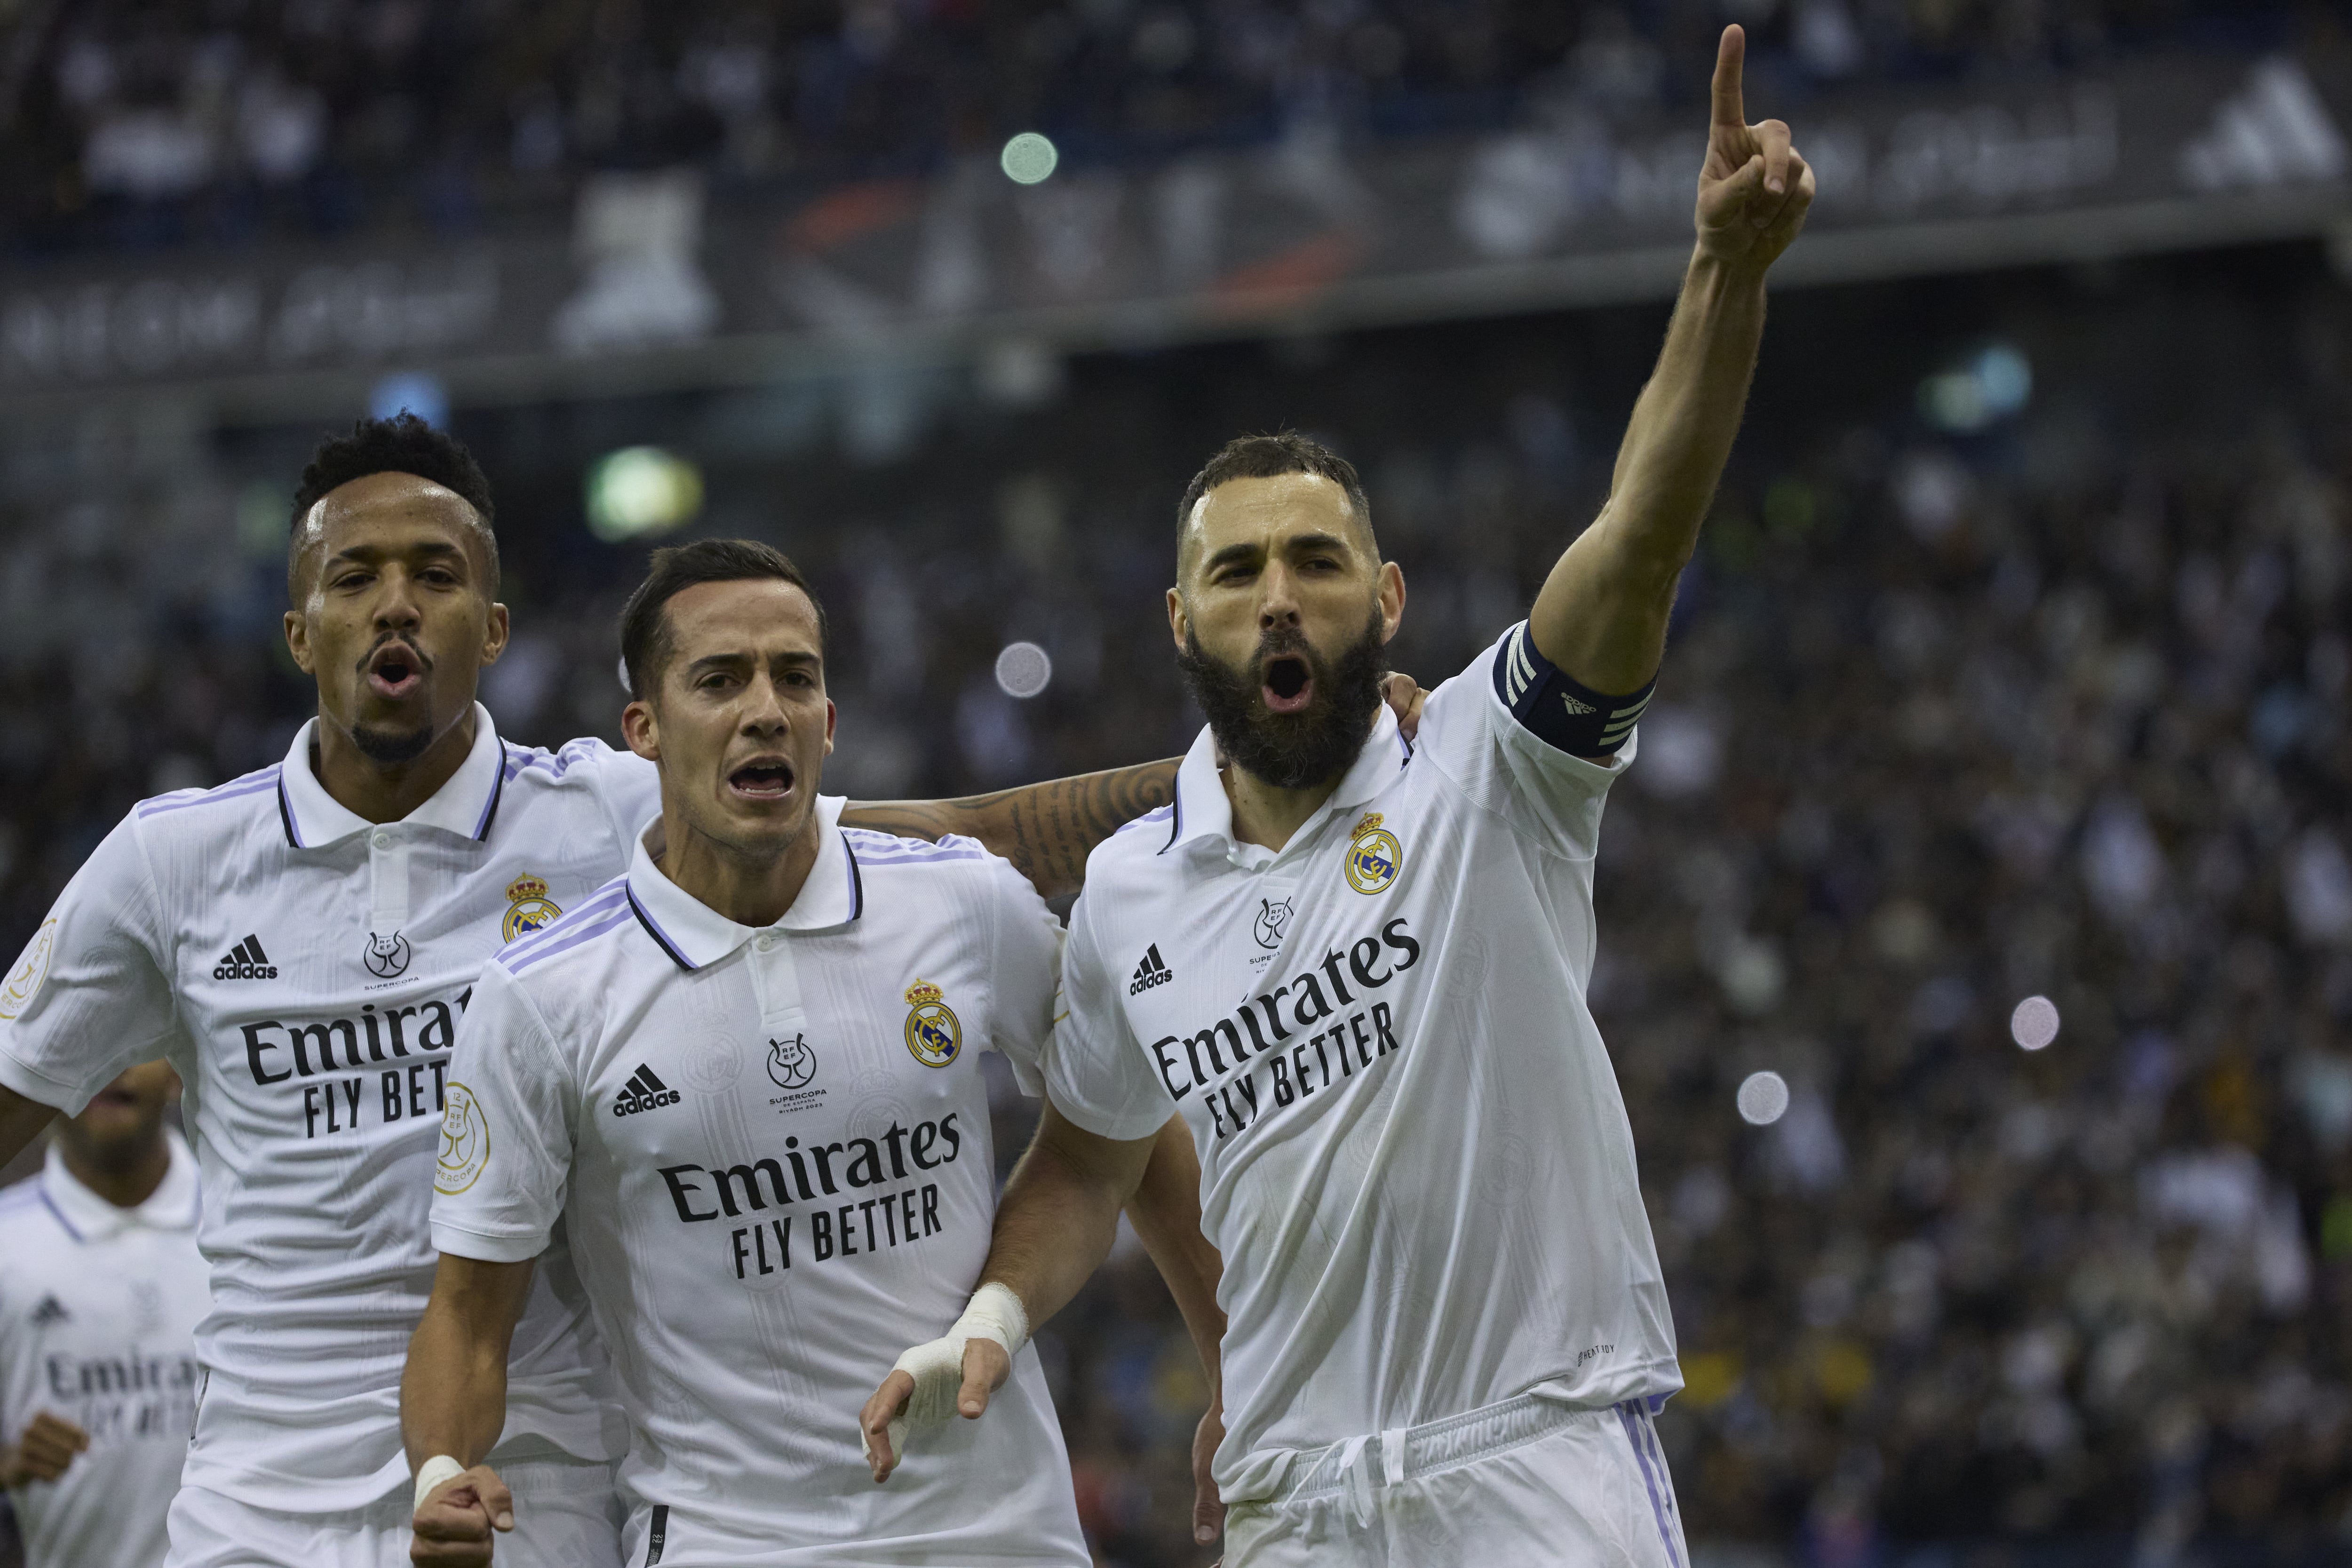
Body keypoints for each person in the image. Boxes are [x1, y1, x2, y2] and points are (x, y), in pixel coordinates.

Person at [862, 25, 1813, 1565]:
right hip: (1292, 1499)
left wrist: (1725, 275)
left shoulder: (1495, 765)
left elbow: (1642, 530)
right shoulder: (1130, 898)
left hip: (1533, 1460)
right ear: (1182, 623)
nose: (1278, 596)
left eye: (1314, 562)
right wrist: (987, 1309)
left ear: (1385, 593)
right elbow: (1090, 1161)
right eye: (1236, 571)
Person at [0, 414, 1192, 1568]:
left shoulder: (620, 809)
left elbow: (958, 841)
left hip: (542, 1479)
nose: (396, 602)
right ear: (300, 631)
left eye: (436, 574)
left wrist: (1268, 771)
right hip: (261, 1489)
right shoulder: (170, 864)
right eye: (354, 576)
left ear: (495, 626)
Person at [403, 539, 1216, 1567]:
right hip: (730, 1541)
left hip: (1002, 1530)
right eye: (719, 679)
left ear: (828, 721)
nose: (765, 707)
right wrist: (441, 1470)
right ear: (642, 731)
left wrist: (1234, 1376)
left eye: (796, 676)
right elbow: (467, 1318)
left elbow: (1118, 1132)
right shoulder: (539, 998)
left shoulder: (960, 902)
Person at [0, 1061, 207, 1568]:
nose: (109, 1065)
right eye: (90, 1048)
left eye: (133, 1044)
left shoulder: (248, 1227)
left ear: (178, 1069)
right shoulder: (7, 1243)